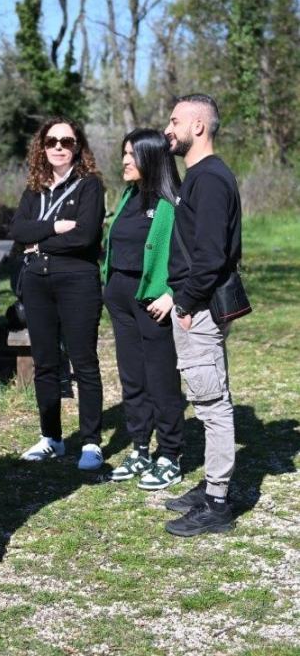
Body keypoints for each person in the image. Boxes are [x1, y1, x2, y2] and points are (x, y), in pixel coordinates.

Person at [162, 94, 241, 536]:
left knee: (212, 403)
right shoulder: (199, 177)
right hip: (196, 303)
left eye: (175, 121)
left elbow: (210, 256)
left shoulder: (210, 179)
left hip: (201, 306)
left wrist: (188, 302)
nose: (168, 129)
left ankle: (217, 502)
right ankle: (211, 485)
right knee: (205, 398)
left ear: (198, 127)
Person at [9, 117, 106, 470]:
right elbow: (18, 230)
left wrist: (39, 241)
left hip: (77, 282)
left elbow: (85, 237)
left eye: (66, 141)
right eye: (52, 141)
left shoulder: (89, 186)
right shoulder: (35, 189)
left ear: (78, 145)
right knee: (45, 362)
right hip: (36, 282)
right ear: (42, 147)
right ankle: (51, 437)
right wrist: (53, 227)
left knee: (84, 362)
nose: (59, 147)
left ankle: (91, 442)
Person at [102, 129, 186, 490]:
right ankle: (140, 448)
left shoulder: (171, 203)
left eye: (132, 155)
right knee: (132, 378)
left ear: (151, 159)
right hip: (121, 300)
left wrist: (170, 292)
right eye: (124, 153)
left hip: (153, 303)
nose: (125, 160)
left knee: (161, 380)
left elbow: (189, 255)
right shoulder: (127, 196)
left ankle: (170, 454)